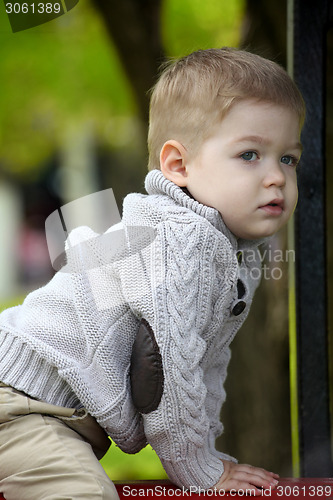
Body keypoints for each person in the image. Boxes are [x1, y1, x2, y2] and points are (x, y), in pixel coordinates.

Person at [0, 47, 305, 499]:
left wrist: (206, 451)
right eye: (249, 155)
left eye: (288, 159)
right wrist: (200, 471)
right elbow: (165, 370)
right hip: (21, 404)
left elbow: (206, 366)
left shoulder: (229, 250)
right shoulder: (184, 240)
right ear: (178, 166)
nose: (276, 177)